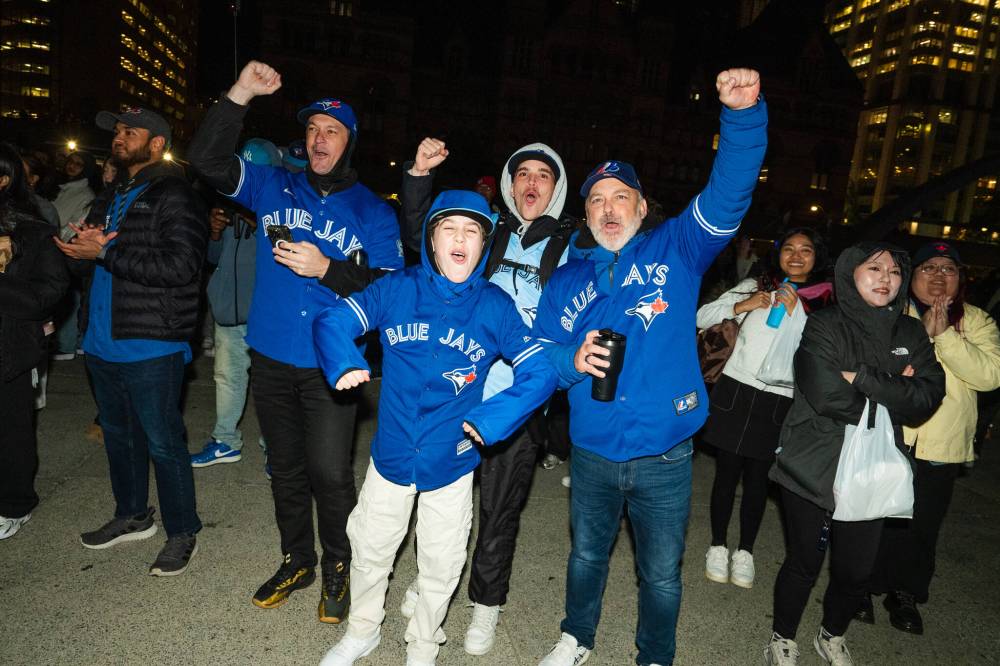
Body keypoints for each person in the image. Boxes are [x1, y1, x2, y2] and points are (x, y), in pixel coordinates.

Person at [531, 68, 767, 666]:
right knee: (587, 555)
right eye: (596, 201)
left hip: (666, 452)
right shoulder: (565, 280)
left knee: (660, 574)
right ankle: (575, 638)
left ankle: (654, 657)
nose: (609, 209)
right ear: (585, 216)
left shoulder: (678, 250)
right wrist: (569, 358)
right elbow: (539, 355)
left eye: (620, 198)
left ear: (641, 206)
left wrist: (741, 119)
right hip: (591, 449)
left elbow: (728, 193)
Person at [187, 60, 403, 622]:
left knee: (330, 474)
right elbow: (206, 161)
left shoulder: (374, 212)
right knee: (284, 469)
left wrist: (328, 268)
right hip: (271, 353)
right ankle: (297, 558)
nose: (318, 139)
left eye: (331, 131)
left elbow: (392, 290)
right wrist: (239, 93)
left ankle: (338, 563)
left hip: (332, 366)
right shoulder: (271, 183)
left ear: (348, 141)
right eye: (311, 130)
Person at [315, 190, 557, 666]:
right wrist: (343, 359)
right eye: (450, 228)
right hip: (391, 455)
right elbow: (333, 319)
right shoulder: (397, 288)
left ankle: (424, 644)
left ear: (484, 243)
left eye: (472, 231)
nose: (460, 239)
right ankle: (363, 630)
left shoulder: (495, 305)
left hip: (453, 459)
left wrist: (493, 419)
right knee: (370, 549)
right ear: (431, 238)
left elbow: (541, 371)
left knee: (441, 564)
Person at [399, 137, 576, 655]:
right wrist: (417, 177)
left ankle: (486, 605)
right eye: (523, 173)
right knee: (439, 500)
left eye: (543, 175)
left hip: (518, 406)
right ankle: (431, 583)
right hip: (461, 393)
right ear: (509, 183)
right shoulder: (487, 233)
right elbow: (419, 238)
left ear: (556, 188)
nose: (531, 183)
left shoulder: (571, 247)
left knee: (499, 511)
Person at [765, 242, 946, 665]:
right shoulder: (824, 325)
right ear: (850, 273)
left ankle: (831, 635)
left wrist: (862, 377)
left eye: (895, 270)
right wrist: (893, 388)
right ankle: (783, 638)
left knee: (855, 571)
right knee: (803, 562)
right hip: (813, 462)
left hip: (873, 468)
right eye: (875, 267)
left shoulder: (910, 332)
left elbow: (928, 397)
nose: (886, 278)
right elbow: (826, 394)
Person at [54, 107, 207, 576]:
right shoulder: (114, 192)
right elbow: (96, 260)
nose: (119, 138)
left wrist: (106, 251)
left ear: (157, 143)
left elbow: (182, 268)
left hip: (151, 344)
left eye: (129, 131)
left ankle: (183, 532)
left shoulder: (176, 193)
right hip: (103, 341)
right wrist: (82, 249)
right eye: (117, 131)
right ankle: (133, 514)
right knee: (119, 437)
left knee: (163, 441)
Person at [863, 241, 1000, 635]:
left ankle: (905, 592)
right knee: (873, 514)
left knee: (922, 523)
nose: (939, 276)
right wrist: (918, 337)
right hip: (890, 434)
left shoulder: (976, 321)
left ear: (961, 279)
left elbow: (989, 376)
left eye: (949, 269)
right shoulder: (889, 312)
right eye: (929, 268)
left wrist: (946, 337)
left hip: (943, 442)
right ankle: (861, 586)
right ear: (911, 275)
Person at [696, 228, 832, 589]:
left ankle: (745, 551)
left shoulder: (825, 303)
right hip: (735, 391)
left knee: (758, 480)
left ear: (817, 256)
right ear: (778, 254)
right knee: (726, 473)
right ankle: (718, 545)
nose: (797, 255)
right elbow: (703, 316)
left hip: (779, 399)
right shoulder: (756, 285)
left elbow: (823, 354)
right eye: (788, 248)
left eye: (806, 249)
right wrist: (745, 305)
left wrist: (798, 313)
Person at [190, 138, 281, 470]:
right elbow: (213, 260)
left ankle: (275, 446)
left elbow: (295, 260)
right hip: (229, 309)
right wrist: (213, 233)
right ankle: (226, 441)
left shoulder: (285, 206)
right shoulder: (225, 205)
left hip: (269, 313)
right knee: (227, 377)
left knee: (272, 383)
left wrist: (268, 227)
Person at [0, 142, 70, 540]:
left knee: (11, 432)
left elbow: (45, 296)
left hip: (8, 349)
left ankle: (15, 504)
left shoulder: (33, 232)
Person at [52, 150, 101, 360]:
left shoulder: (84, 194)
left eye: (78, 164)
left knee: (70, 295)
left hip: (64, 248)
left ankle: (67, 343)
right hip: (55, 247)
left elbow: (63, 222)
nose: (72, 166)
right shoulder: (60, 187)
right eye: (70, 161)